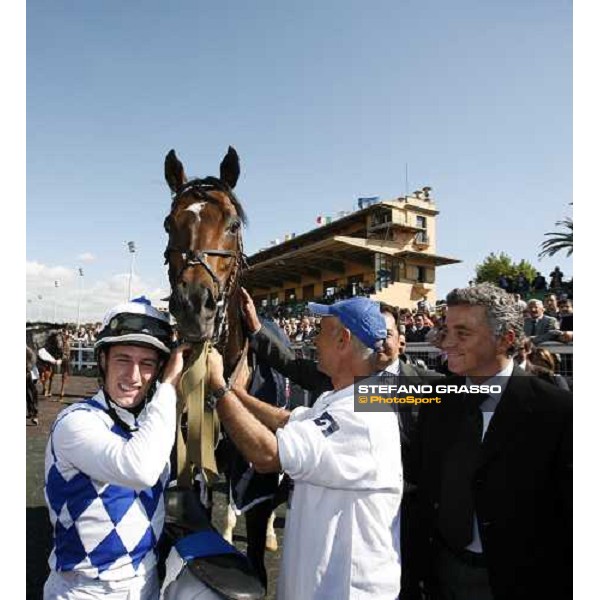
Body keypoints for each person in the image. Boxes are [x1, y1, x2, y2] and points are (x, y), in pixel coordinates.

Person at [207, 296, 402, 599]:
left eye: (321, 331)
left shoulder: (363, 416)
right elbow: (288, 420)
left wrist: (218, 388)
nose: (313, 339)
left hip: (344, 589)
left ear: (343, 340)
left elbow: (268, 455)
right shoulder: (340, 398)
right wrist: (238, 395)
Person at [410, 283, 572, 600]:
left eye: (463, 333)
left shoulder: (557, 411)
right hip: (442, 575)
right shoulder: (439, 400)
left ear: (506, 339)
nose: (448, 343)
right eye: (446, 330)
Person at [43, 300, 188, 600]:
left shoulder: (150, 424)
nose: (134, 376)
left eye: (147, 364)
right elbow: (140, 469)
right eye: (123, 359)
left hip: (146, 580)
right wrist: (169, 386)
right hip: (85, 590)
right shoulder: (75, 422)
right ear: (104, 360)